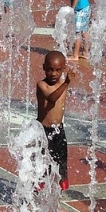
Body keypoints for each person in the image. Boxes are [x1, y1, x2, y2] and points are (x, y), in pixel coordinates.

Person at [37, 50, 75, 200]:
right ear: (44, 67)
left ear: (63, 69)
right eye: (50, 69)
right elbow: (52, 98)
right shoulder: (41, 85)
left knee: (61, 166)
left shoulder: (62, 85)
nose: (53, 73)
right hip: (43, 132)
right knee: (42, 166)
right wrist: (66, 82)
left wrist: (65, 82)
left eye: (58, 70)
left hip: (58, 131)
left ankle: (57, 202)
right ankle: (36, 199)